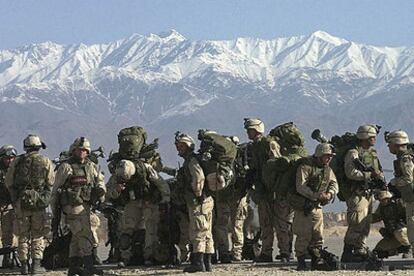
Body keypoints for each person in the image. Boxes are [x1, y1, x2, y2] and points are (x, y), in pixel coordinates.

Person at [51, 137, 106, 276]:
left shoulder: (91, 166)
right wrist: (55, 211)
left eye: (84, 150)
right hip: (72, 207)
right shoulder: (66, 167)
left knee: (76, 238)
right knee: (84, 233)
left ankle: (74, 267)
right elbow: (55, 190)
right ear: (73, 150)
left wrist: (100, 192)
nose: (81, 152)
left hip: (86, 205)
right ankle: (88, 265)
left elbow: (99, 180)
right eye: (79, 150)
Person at [6, 135, 55, 274]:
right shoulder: (45, 161)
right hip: (39, 203)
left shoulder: (17, 161)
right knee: (38, 234)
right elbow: (50, 182)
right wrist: (44, 197)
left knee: (23, 235)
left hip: (21, 203)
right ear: (39, 147)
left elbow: (9, 181)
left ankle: (24, 266)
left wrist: (15, 198)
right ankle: (36, 266)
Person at [341, 124, 384, 262]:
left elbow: (378, 169)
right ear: (365, 137)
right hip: (357, 194)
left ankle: (359, 249)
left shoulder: (372, 153)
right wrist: (369, 175)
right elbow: (351, 172)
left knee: (366, 224)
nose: (374, 139)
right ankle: (348, 252)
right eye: (372, 137)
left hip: (368, 193)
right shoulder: (353, 153)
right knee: (357, 223)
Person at [292, 143, 338, 270]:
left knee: (318, 234)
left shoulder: (327, 169)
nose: (329, 158)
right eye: (326, 156)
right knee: (304, 235)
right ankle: (301, 262)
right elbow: (300, 186)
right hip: (304, 207)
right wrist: (316, 195)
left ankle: (316, 259)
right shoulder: (305, 167)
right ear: (319, 155)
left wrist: (330, 193)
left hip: (317, 207)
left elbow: (334, 183)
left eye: (330, 156)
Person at [175, 132, 214, 272]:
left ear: (189, 146)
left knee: (198, 230)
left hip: (199, 201)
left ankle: (198, 263)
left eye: (182, 146)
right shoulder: (192, 160)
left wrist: (197, 196)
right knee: (206, 231)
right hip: (206, 199)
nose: (179, 148)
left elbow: (199, 178)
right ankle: (207, 263)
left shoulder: (192, 161)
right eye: (178, 146)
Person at [244, 118, 281, 262]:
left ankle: (285, 253)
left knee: (281, 224)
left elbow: (277, 165)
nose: (248, 132)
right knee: (265, 224)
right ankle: (266, 253)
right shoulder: (253, 147)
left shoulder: (269, 144)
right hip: (262, 190)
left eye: (250, 130)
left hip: (275, 190)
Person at [386, 130, 414, 257]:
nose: (388, 146)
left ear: (397, 143)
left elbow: (408, 178)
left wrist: (394, 182)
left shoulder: (405, 158)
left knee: (412, 227)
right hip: (409, 197)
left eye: (390, 143)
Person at [371, 190, 411, 258]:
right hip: (393, 235)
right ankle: (400, 249)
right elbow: (376, 217)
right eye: (380, 200)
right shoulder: (382, 207)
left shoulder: (399, 203)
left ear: (388, 198)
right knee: (379, 251)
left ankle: (409, 249)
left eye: (383, 200)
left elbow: (410, 214)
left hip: (406, 233)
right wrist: (365, 219)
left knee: (400, 232)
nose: (381, 202)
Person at [0, 145, 18, 268]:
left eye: (12, 158)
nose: (10, 160)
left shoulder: (17, 171)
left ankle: (7, 258)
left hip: (9, 206)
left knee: (8, 233)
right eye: (7, 158)